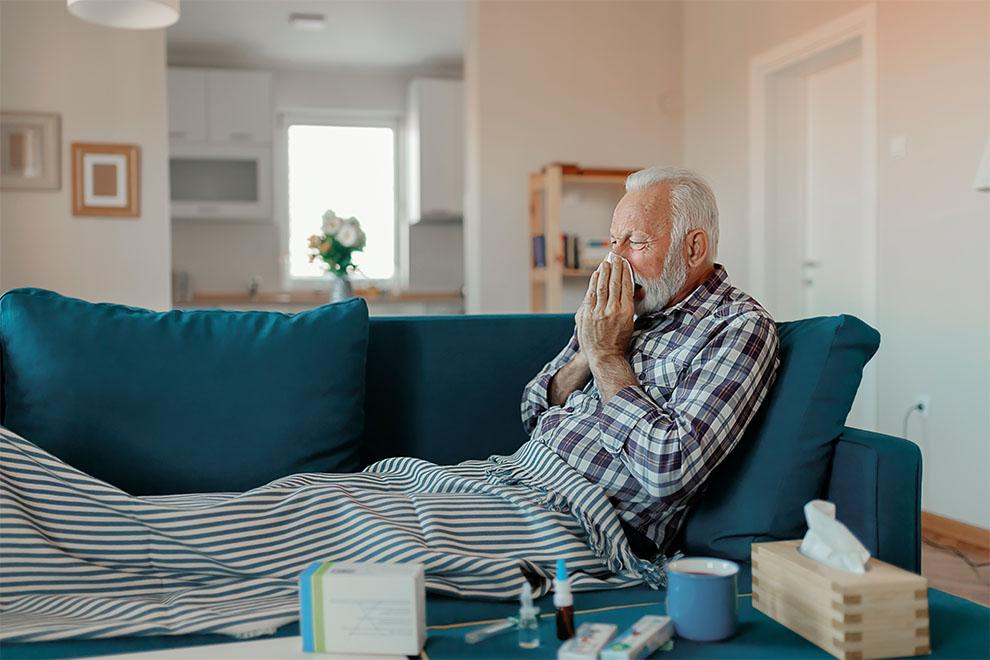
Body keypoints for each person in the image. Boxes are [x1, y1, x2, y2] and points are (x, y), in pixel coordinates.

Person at [521, 166, 781, 558]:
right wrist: (588, 352)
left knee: (413, 549)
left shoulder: (737, 326)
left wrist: (608, 357)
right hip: (515, 476)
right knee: (409, 487)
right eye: (614, 242)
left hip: (577, 519)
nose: (616, 261)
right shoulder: (616, 311)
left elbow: (670, 470)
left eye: (637, 243)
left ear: (693, 248)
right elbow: (531, 411)